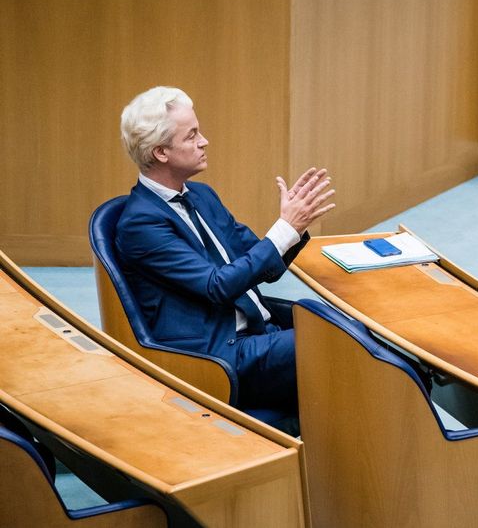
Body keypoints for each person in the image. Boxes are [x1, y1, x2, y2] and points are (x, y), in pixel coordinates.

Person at [115, 86, 336, 416]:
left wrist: (294, 228)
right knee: (338, 346)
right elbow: (217, 286)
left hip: (258, 330)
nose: (204, 141)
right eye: (191, 136)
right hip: (219, 351)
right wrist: (284, 230)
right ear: (161, 152)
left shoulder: (202, 195)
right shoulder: (140, 224)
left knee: (354, 330)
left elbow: (263, 266)